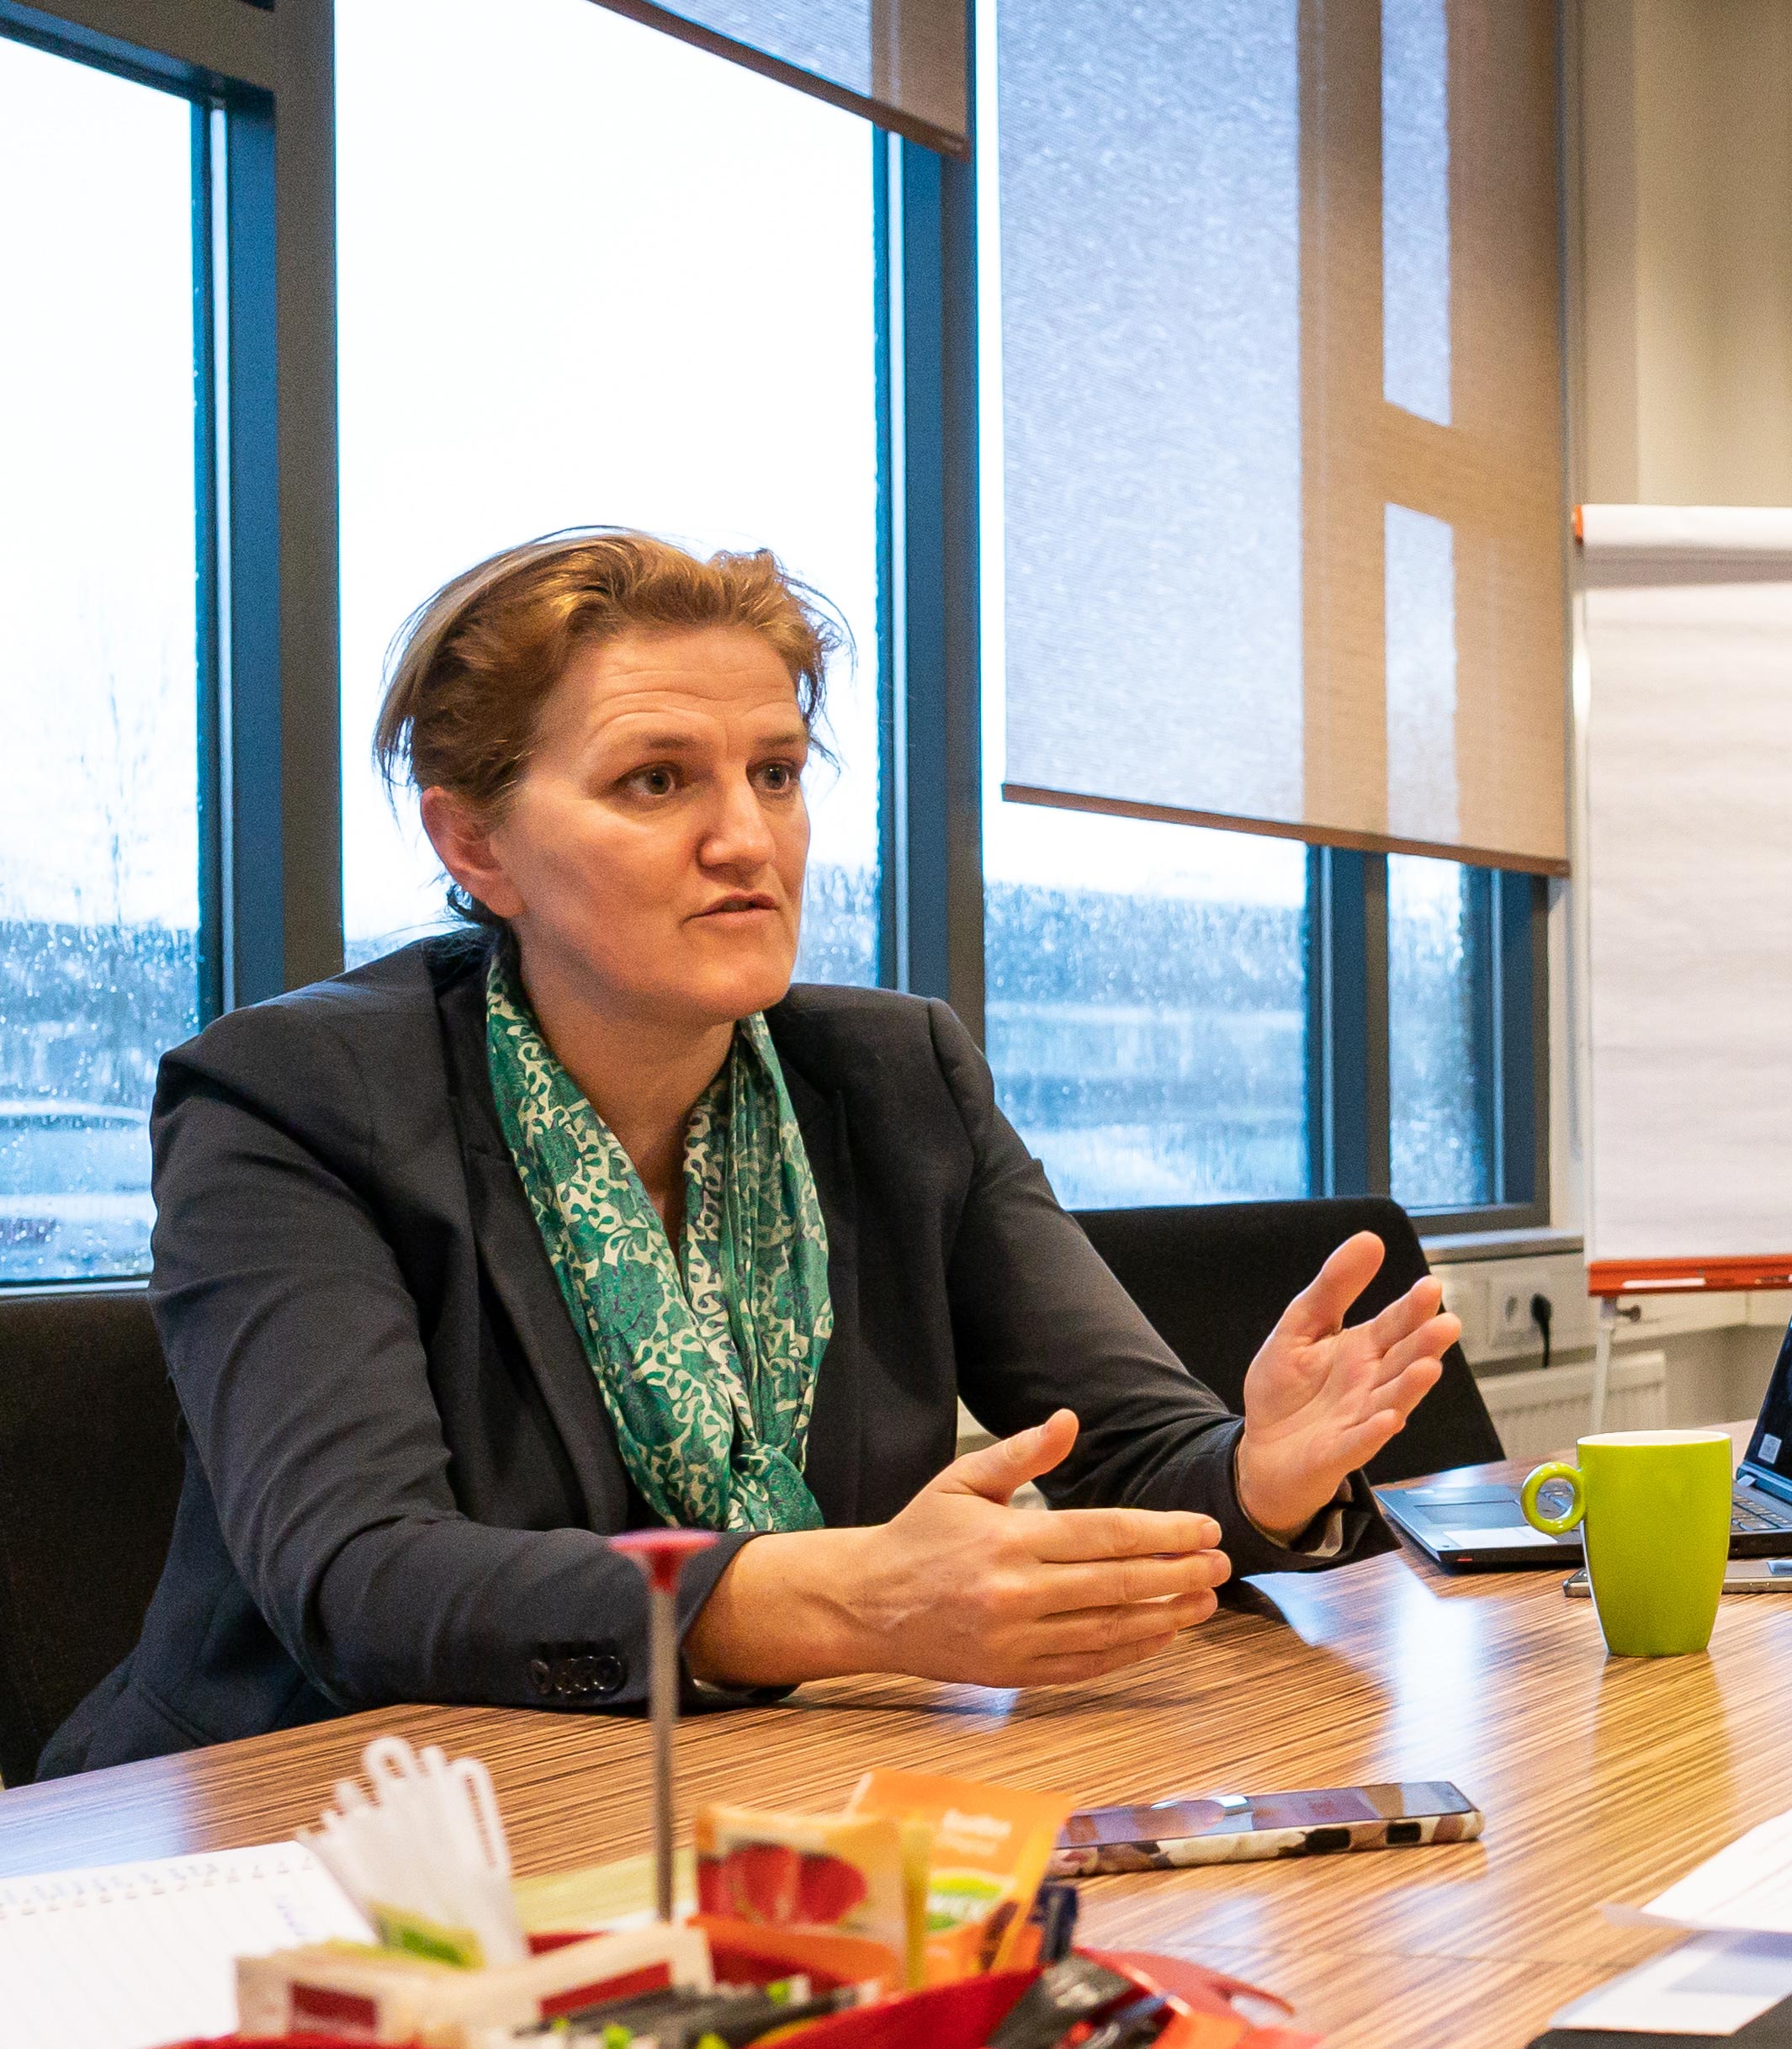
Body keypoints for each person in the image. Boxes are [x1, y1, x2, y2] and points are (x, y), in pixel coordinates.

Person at [44, 529, 1461, 1771]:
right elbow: (361, 1579)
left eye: (776, 772)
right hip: (298, 1827)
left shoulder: (897, 1076)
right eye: (657, 782)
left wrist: (1258, 1473)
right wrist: (848, 1602)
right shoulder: (291, 1097)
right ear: (475, 844)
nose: (748, 839)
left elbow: (1140, 1456)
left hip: (741, 1786)